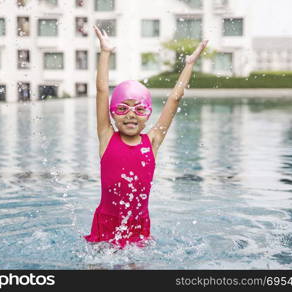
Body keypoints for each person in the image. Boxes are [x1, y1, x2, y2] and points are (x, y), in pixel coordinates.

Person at [84, 25, 208, 249]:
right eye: (123, 108)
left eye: (139, 109)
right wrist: (105, 53)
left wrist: (189, 65)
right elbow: (102, 90)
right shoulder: (106, 136)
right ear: (112, 112)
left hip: (138, 225)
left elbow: (174, 99)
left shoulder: (152, 141)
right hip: (106, 223)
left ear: (148, 114)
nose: (131, 115)